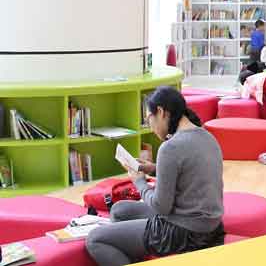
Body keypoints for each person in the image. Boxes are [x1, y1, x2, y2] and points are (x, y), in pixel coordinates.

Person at [86, 87, 224, 265]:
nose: (150, 126)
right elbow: (189, 171)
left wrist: (139, 182)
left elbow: (161, 207)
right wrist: (152, 168)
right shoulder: (207, 137)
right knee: (119, 210)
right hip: (211, 228)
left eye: (148, 118)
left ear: (160, 112)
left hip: (182, 232)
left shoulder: (170, 147)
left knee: (95, 239)